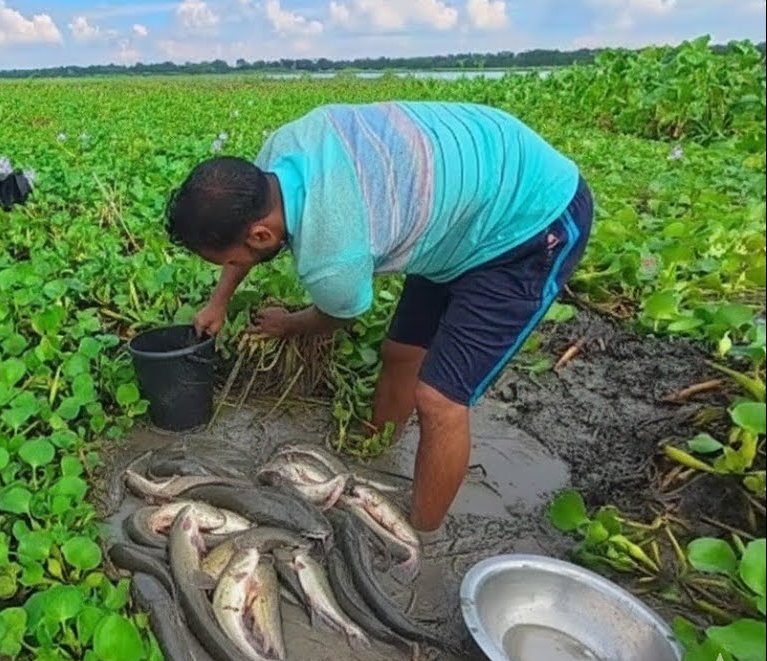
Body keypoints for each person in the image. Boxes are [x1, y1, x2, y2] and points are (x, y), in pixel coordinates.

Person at [163, 100, 594, 534]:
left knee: (440, 400)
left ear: (260, 233)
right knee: (401, 351)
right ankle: (376, 449)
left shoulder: (334, 254)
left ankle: (420, 537)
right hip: (459, 196)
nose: (234, 263)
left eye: (231, 257)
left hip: (531, 220)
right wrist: (218, 301)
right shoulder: (275, 158)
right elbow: (248, 242)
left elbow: (338, 315)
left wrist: (289, 323)